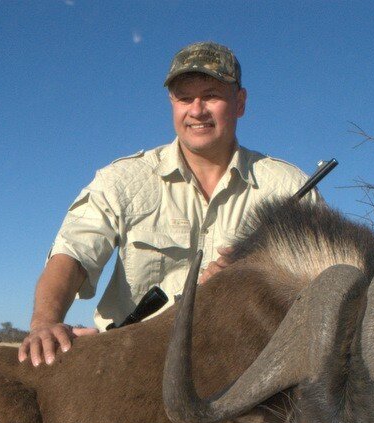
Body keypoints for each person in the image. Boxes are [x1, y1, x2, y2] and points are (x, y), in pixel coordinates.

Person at [19, 41, 322, 366]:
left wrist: (250, 278)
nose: (197, 110)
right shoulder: (123, 179)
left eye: (211, 95)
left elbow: (323, 287)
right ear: (172, 104)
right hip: (132, 359)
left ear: (240, 103)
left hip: (246, 365)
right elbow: (73, 254)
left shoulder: (289, 186)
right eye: (184, 98)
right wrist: (44, 323)